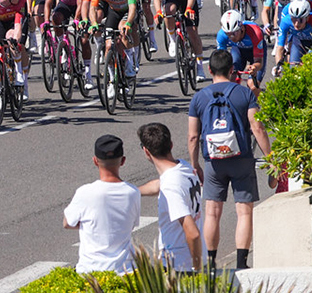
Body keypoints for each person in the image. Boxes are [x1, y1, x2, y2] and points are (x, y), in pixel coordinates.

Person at [187, 49, 273, 274]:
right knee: (244, 212)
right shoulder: (244, 94)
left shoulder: (199, 98)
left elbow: (193, 136)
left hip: (213, 161)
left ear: (210, 70)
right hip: (241, 158)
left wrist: (195, 163)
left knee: (212, 211)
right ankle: (242, 264)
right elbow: (257, 127)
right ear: (233, 70)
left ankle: (211, 262)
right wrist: (270, 158)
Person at [63, 134, 141, 275]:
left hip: (90, 269)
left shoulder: (85, 192)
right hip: (124, 270)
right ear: (123, 161)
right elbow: (132, 223)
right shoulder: (133, 192)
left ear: (95, 161)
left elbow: (67, 223)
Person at [137, 122, 205, 272]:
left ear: (146, 151)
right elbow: (159, 185)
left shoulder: (171, 185)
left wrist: (197, 270)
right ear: (171, 145)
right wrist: (133, 191)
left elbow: (192, 233)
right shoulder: (183, 166)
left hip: (180, 266)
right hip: (193, 258)